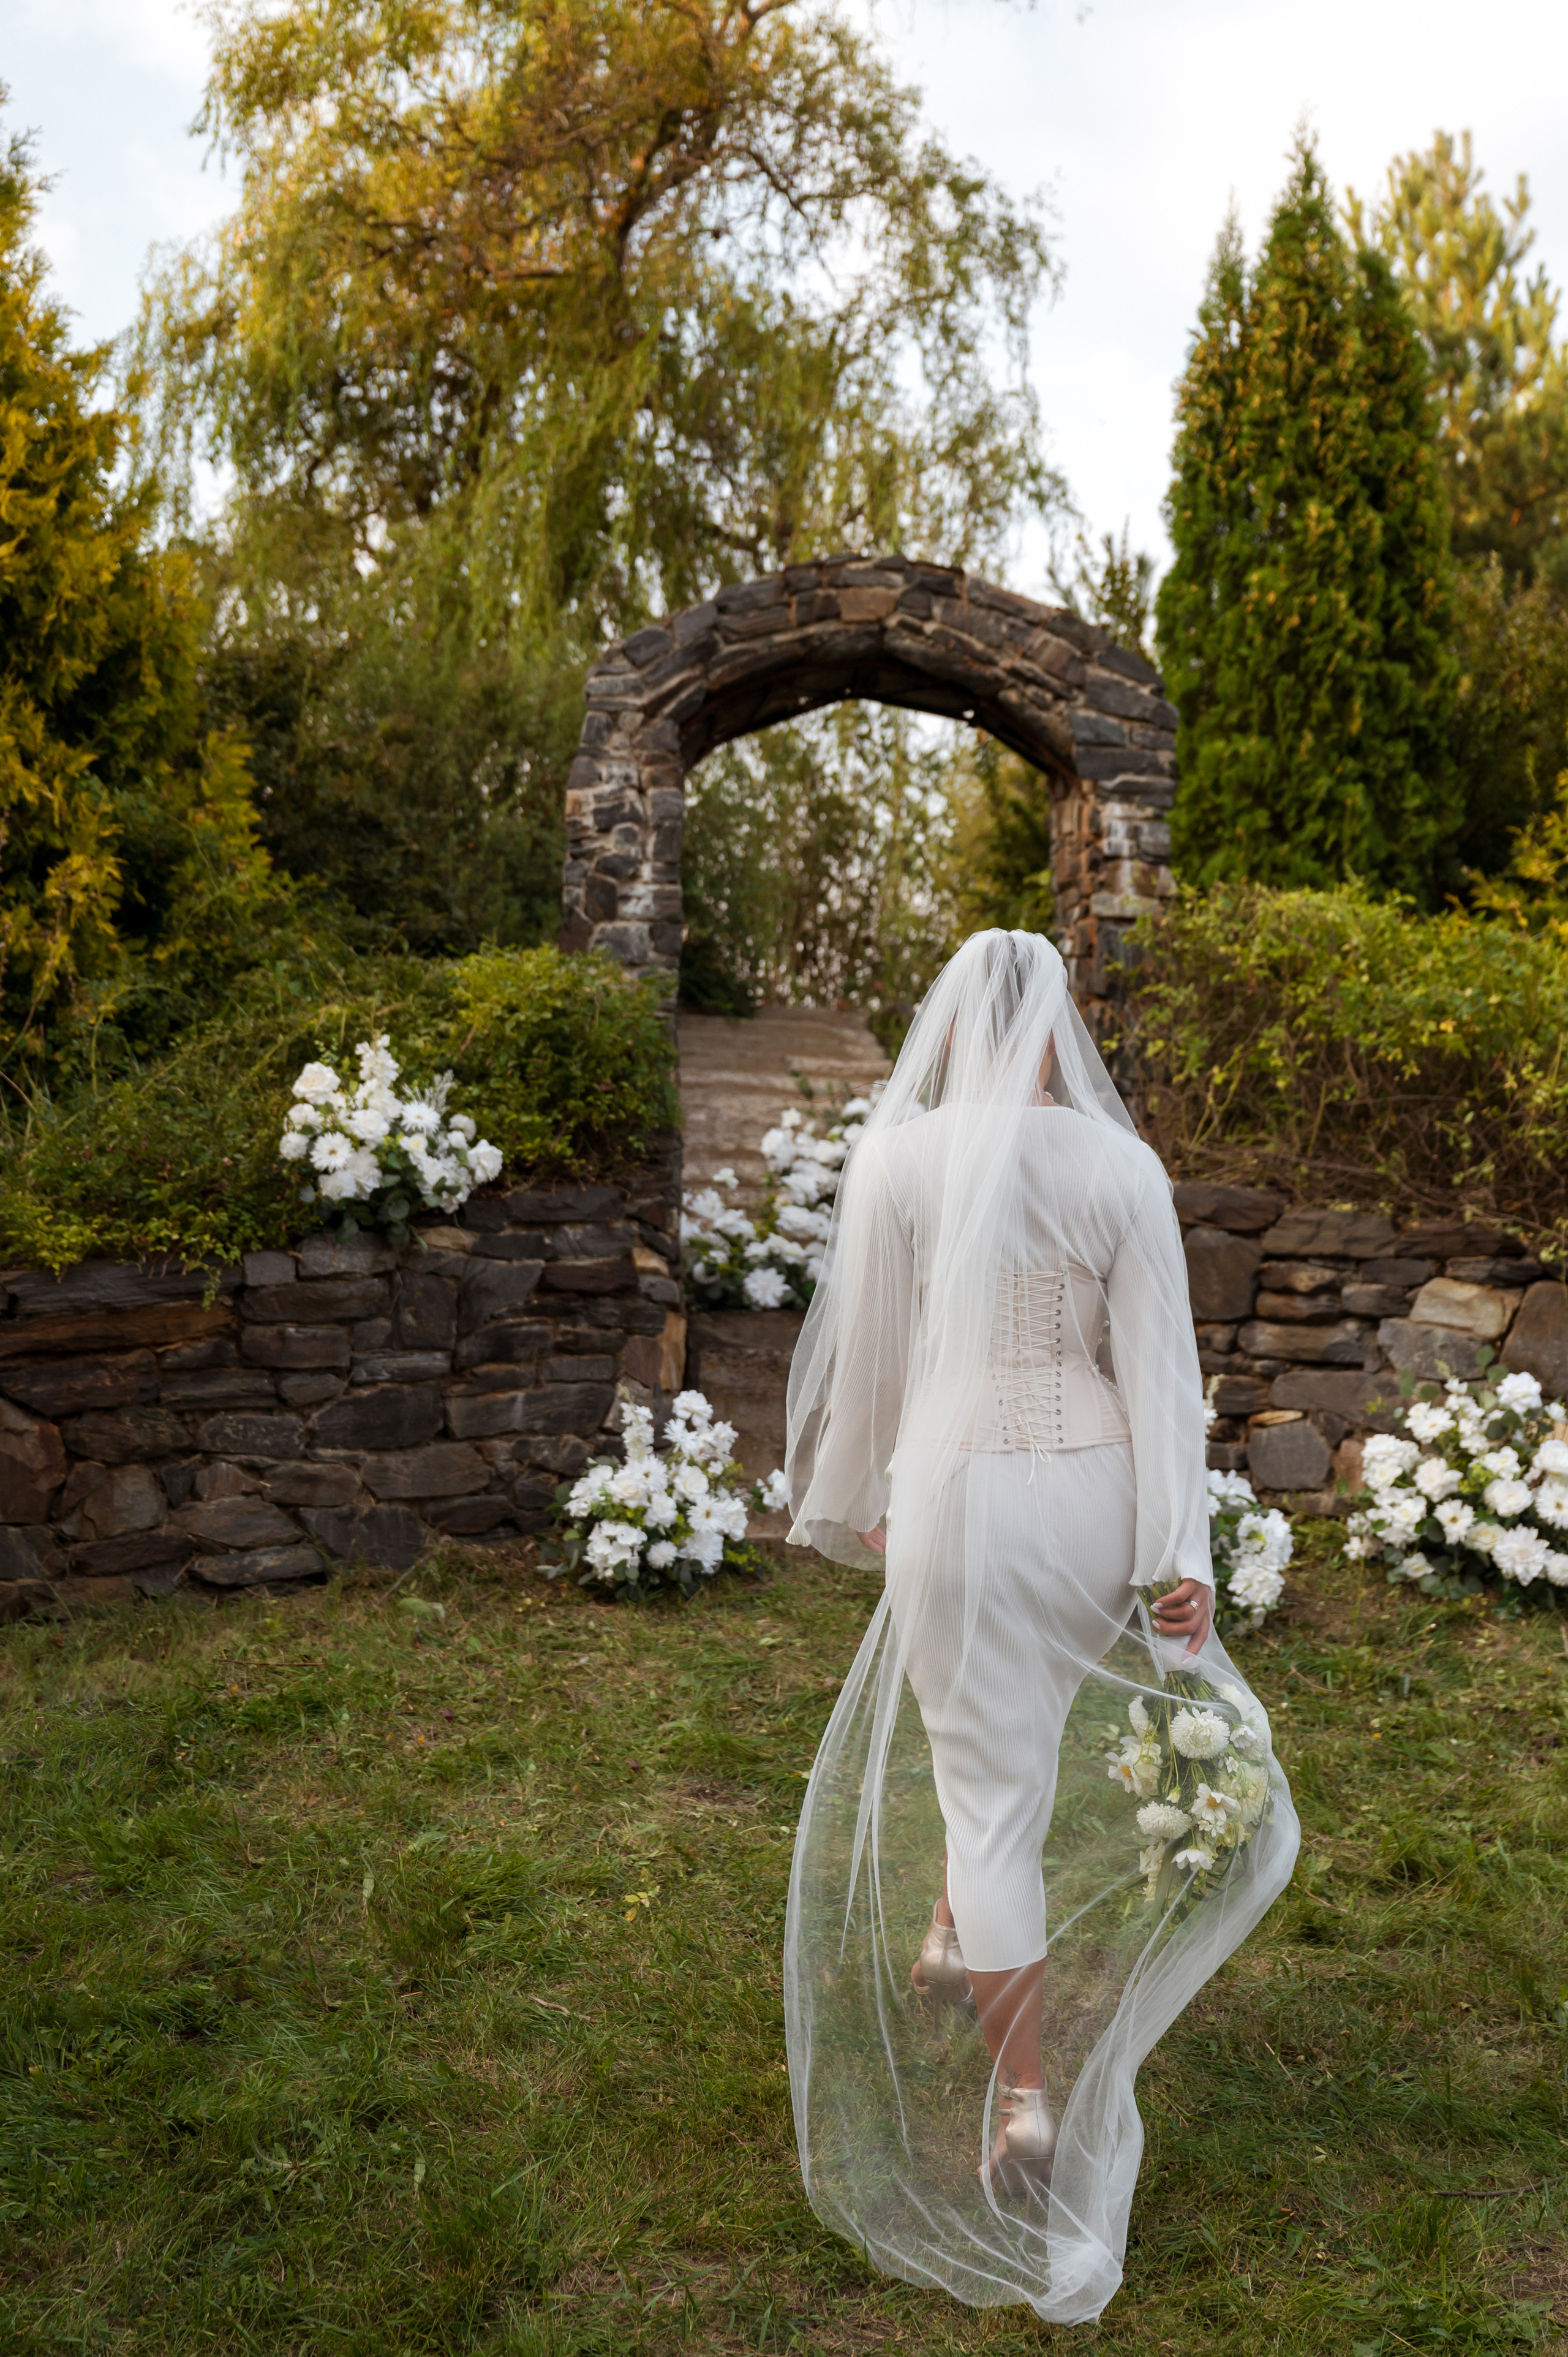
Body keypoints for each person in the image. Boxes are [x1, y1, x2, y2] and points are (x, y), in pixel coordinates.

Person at [782, 929, 1298, 2325]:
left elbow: (878, 1353)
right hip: (1083, 1498)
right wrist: (1171, 1553)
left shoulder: (898, 1160)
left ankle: (1020, 2101)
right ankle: (954, 1933)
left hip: (951, 1491)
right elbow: (1159, 1373)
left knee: (987, 1777)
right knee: (1020, 1733)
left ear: (951, 1029)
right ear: (1059, 1023)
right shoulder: (1118, 1168)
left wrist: (862, 1498)